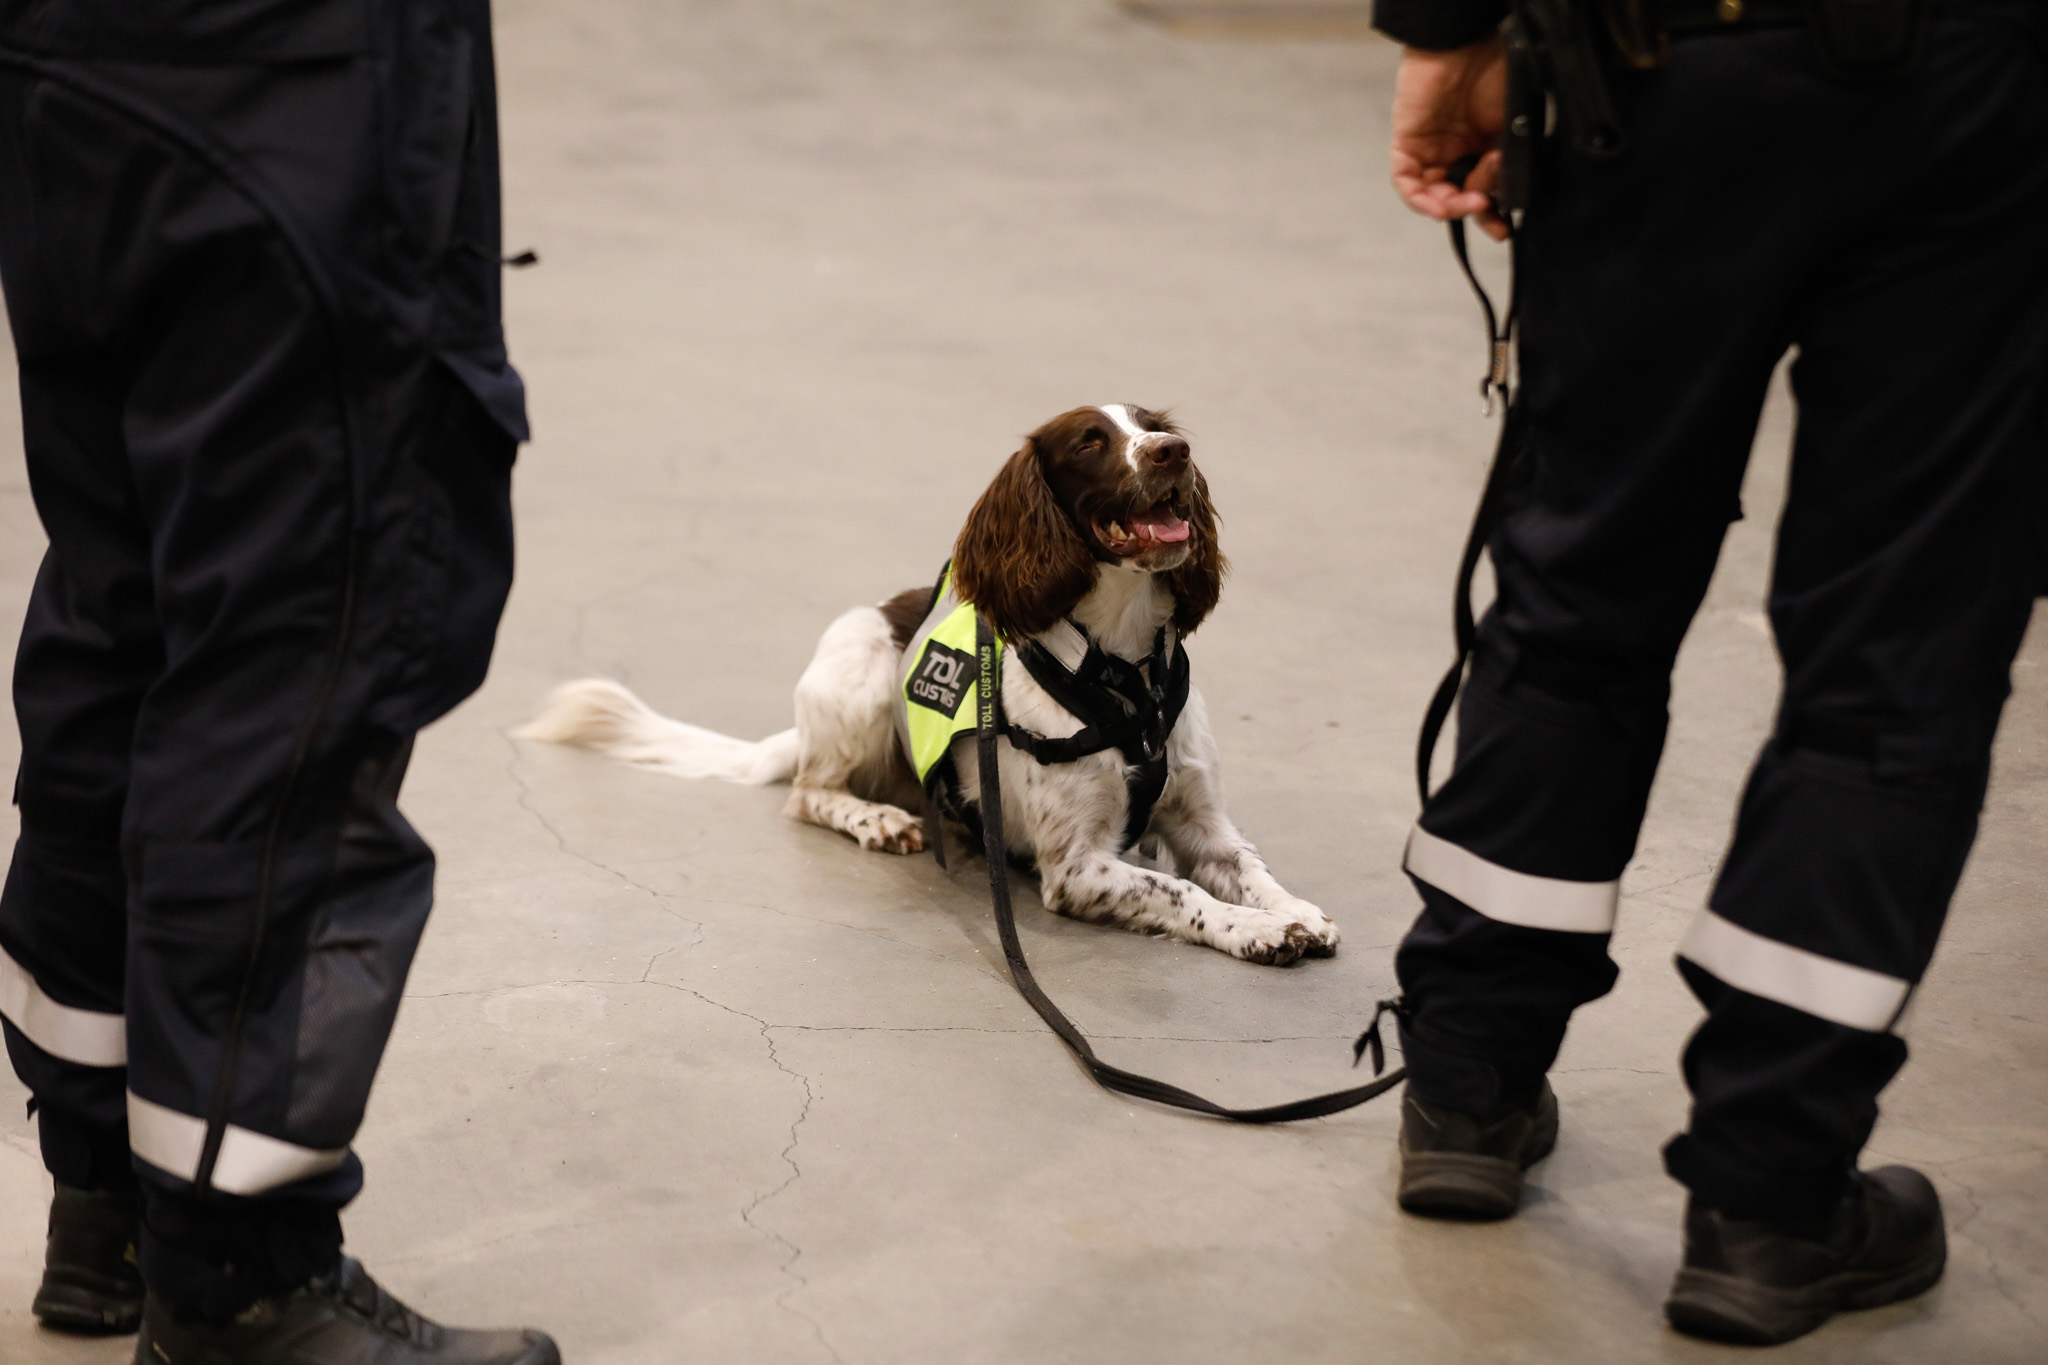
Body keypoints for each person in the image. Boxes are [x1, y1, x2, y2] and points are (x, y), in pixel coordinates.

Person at [1372, 0, 2047, 1346]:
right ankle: (1766, 1205)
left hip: (1666, 59)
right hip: (1978, 83)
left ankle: (1467, 1084)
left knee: (1576, 595)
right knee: (1894, 663)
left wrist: (1445, 30)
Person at [0, 2, 559, 1361]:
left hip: (70, 67)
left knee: (123, 595)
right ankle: (237, 1272)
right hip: (297, 82)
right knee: (297, 658)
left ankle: (109, 1194)